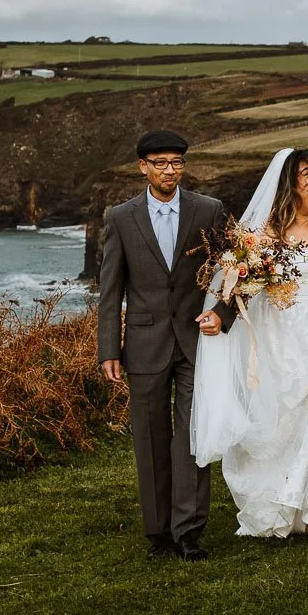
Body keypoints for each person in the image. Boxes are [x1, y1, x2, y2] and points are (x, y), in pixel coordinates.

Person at [192, 148, 308, 538]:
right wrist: (217, 316)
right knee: (276, 426)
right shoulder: (261, 235)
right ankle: (271, 509)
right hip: (276, 341)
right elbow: (238, 288)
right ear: (289, 184)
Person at [97, 129, 235, 561]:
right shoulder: (120, 218)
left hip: (198, 342)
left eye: (176, 162)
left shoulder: (209, 210)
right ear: (143, 167)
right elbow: (110, 289)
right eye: (160, 163)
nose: (169, 170)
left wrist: (223, 314)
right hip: (143, 343)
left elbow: (237, 270)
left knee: (193, 436)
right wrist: (109, 350)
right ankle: (158, 533)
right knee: (151, 439)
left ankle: (189, 531)